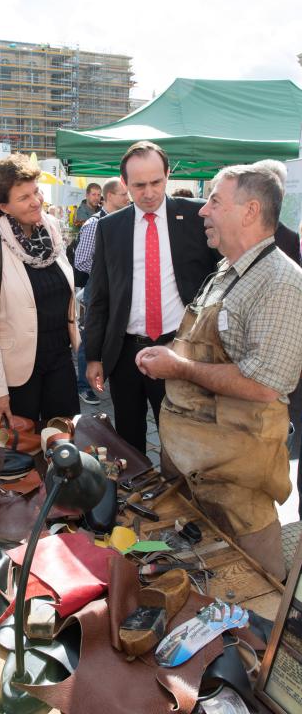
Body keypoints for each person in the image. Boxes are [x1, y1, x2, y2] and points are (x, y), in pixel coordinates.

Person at [136, 164, 302, 579]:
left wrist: (178, 366)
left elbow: (266, 385)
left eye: (214, 200)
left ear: (249, 211)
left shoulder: (280, 281)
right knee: (207, 584)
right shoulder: (229, 269)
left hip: (236, 484)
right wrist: (171, 355)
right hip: (199, 469)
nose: (201, 210)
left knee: (257, 593)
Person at [85, 141, 217, 453]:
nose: (149, 193)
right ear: (124, 184)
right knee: (128, 442)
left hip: (178, 349)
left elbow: (217, 281)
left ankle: (176, 499)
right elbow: (100, 296)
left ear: (168, 174)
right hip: (126, 353)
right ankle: (133, 500)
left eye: (156, 182)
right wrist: (93, 356)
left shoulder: (196, 217)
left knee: (180, 440)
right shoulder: (109, 227)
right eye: (139, 185)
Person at [0, 154, 80, 427]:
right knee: (20, 456)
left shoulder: (50, 228)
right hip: (14, 373)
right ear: (3, 206)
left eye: (36, 191)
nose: (36, 201)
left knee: (64, 446)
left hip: (60, 361)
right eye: (24, 197)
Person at [75, 177, 130, 405]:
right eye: (123, 194)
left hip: (119, 288)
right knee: (91, 336)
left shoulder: (126, 221)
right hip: (97, 290)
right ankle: (83, 386)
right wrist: (105, 274)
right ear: (109, 197)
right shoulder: (94, 224)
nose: (128, 198)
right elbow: (81, 260)